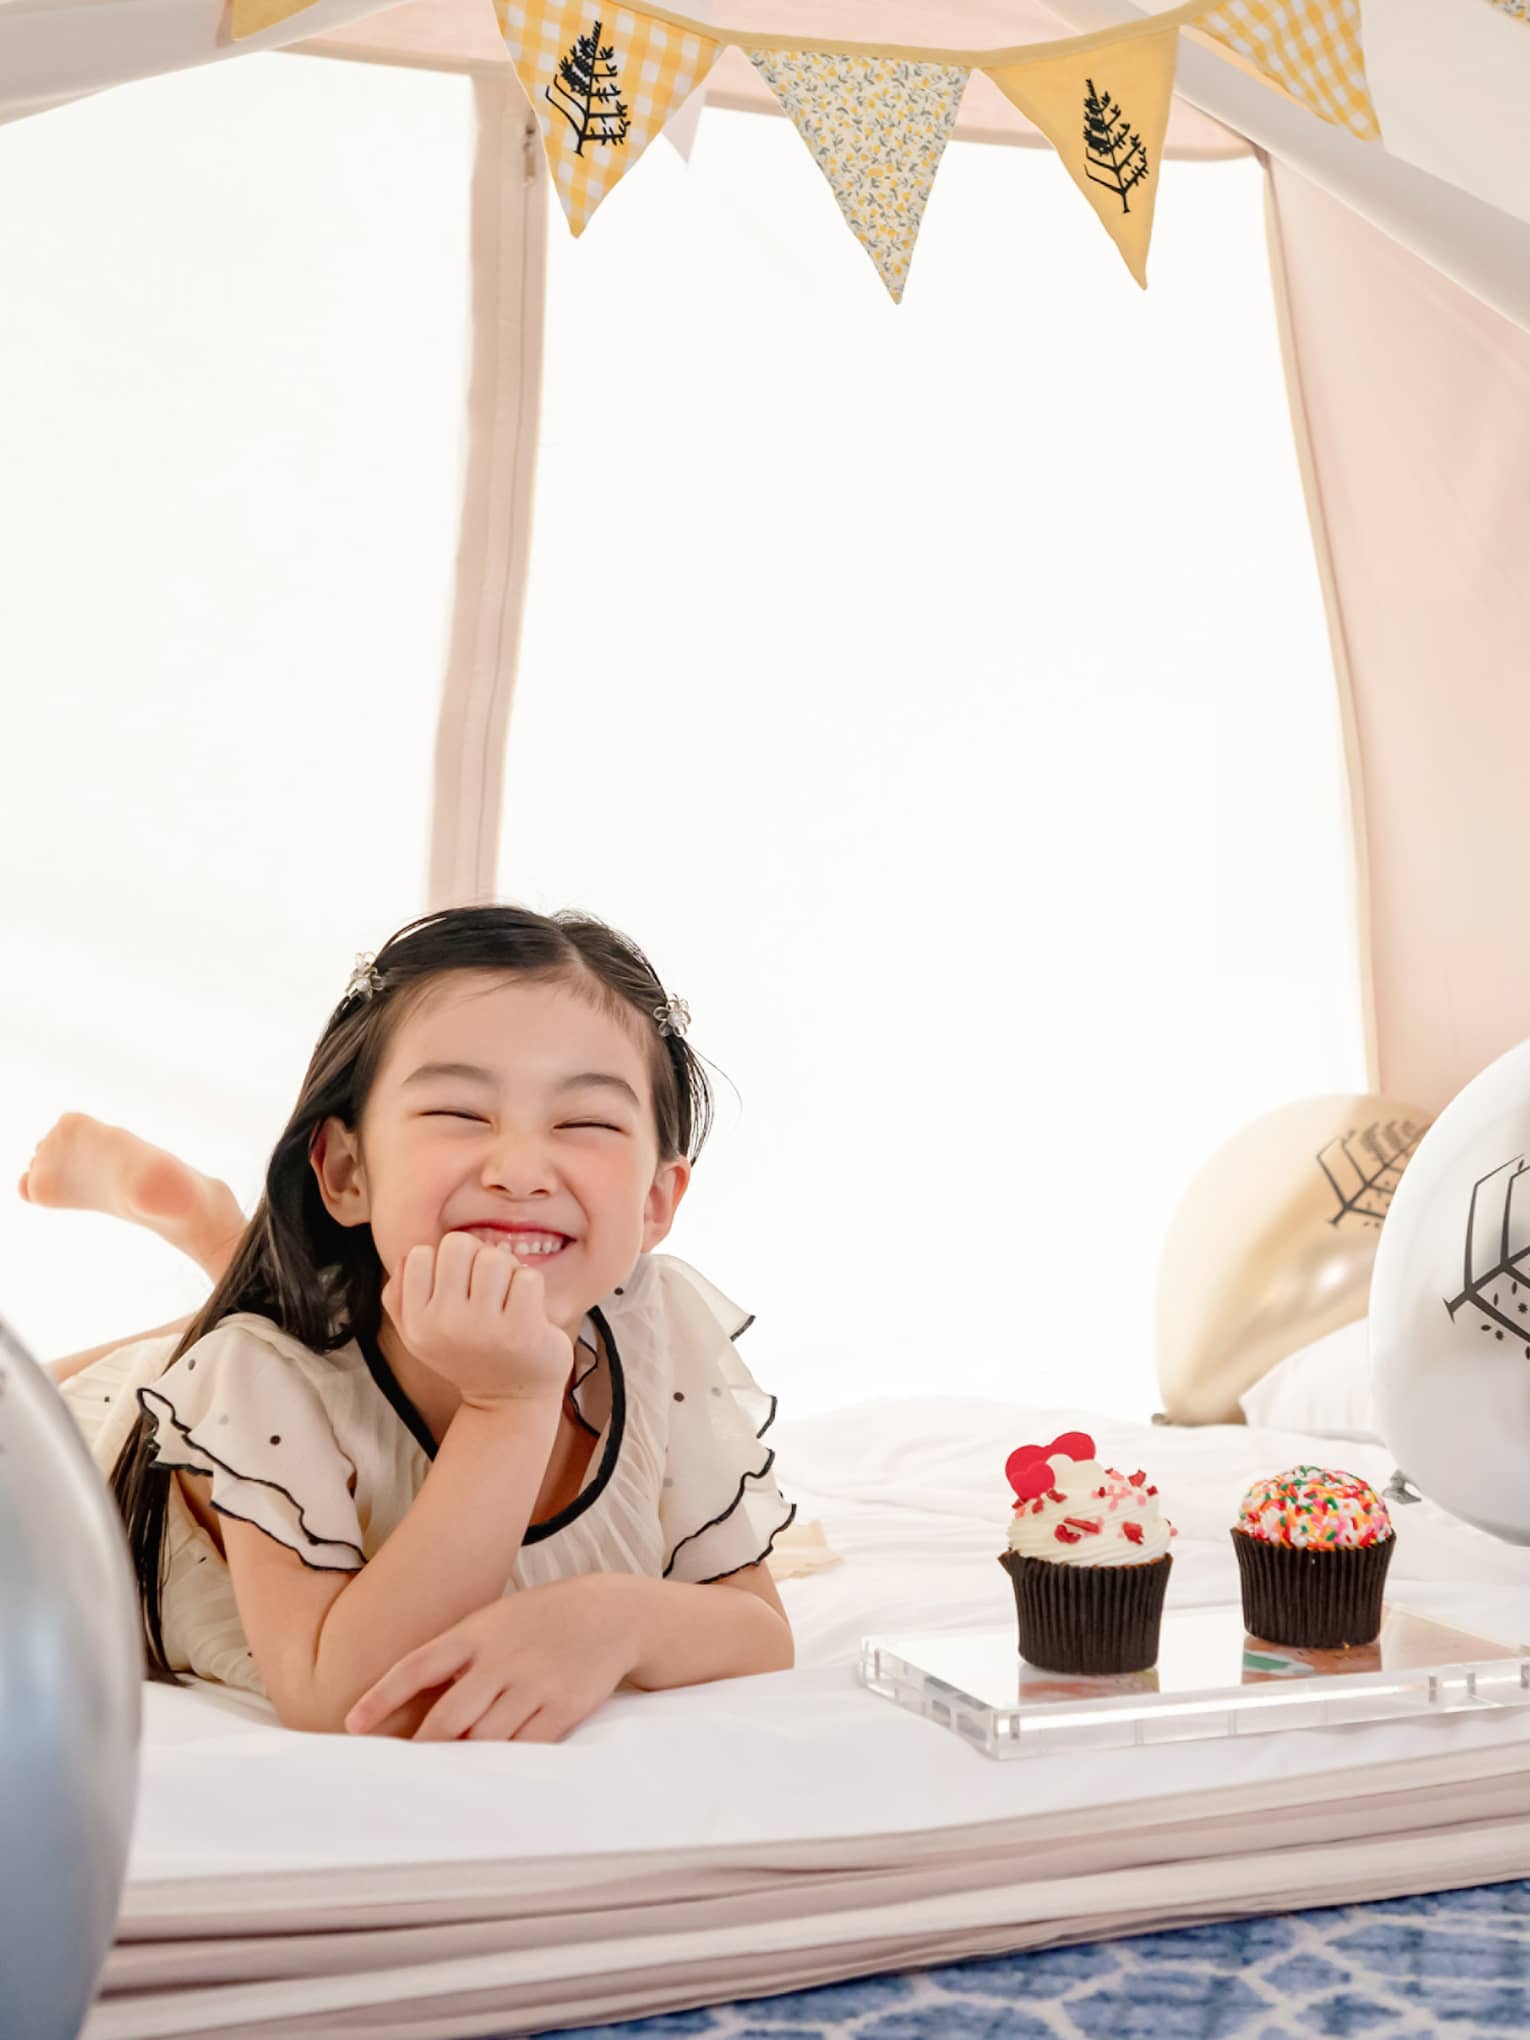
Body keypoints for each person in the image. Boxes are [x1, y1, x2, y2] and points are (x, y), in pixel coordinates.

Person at [28, 904, 796, 1743]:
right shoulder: (255, 1381)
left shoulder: (655, 1329)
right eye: (461, 1113)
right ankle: (220, 1245)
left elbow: (758, 1627)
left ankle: (227, 1249)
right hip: (115, 1434)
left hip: (305, 1361)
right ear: (349, 1172)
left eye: (585, 1123)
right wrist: (509, 1405)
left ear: (656, 1202)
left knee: (263, 1334)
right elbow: (343, 1697)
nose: (519, 1171)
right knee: (37, 1398)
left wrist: (614, 1617)